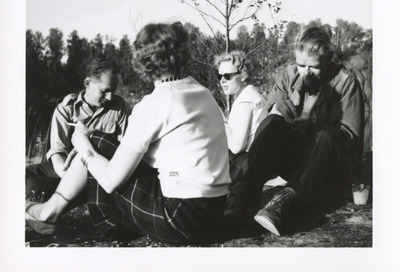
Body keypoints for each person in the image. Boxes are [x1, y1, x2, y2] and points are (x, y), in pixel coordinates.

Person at [25, 22, 231, 245]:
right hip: (213, 214)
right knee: (103, 145)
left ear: (142, 62)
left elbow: (111, 181)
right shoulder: (203, 93)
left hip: (180, 220)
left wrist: (82, 142)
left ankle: (48, 213)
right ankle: (55, 210)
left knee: (96, 142)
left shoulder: (156, 102)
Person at [224, 26, 364, 236]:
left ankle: (283, 203)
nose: (305, 72)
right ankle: (241, 198)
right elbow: (264, 121)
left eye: (314, 67)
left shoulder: (345, 82)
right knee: (273, 120)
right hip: (295, 160)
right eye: (301, 64)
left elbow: (349, 138)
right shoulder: (289, 74)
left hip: (327, 165)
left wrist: (313, 123)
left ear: (329, 60)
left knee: (326, 136)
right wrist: (277, 108)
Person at [26, 57, 129, 201]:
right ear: (87, 83)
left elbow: (122, 150)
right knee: (23, 180)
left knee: (37, 188)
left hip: (100, 170)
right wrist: (69, 180)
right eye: (105, 91)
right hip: (64, 169)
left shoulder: (119, 107)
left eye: (113, 91)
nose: (110, 97)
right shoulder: (66, 108)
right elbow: (57, 152)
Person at [214, 51, 268, 181]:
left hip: (246, 166)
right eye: (219, 76)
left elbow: (236, 147)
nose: (222, 81)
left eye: (227, 76)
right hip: (249, 162)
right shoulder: (246, 95)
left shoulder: (246, 100)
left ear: (242, 75)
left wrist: (221, 118)